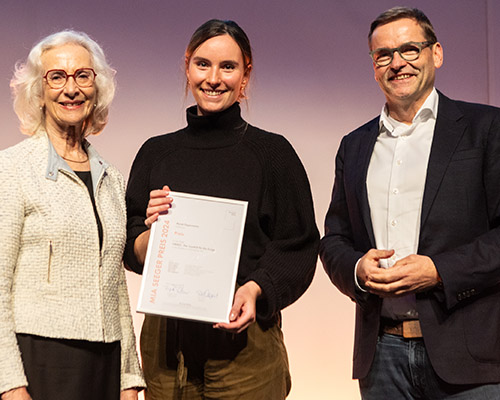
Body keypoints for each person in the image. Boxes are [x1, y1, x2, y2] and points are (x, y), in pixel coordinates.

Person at [124, 19, 319, 400]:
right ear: (187, 66)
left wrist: (255, 289)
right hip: (166, 348)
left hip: (244, 345)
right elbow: (129, 245)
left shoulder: (272, 154)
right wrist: (152, 234)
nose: (214, 78)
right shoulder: (156, 153)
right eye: (203, 64)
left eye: (228, 67)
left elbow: (299, 246)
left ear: (246, 74)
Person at [320, 6, 500, 399]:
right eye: (383, 55)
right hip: (382, 357)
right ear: (373, 66)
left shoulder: (486, 129)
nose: (397, 63)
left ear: (436, 53)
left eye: (409, 50)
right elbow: (334, 239)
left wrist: (439, 270)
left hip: (470, 359)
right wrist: (356, 269)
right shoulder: (354, 145)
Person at [0, 31, 145, 400]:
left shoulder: (111, 178)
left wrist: (130, 376)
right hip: (41, 358)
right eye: (57, 77)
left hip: (106, 360)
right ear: (39, 90)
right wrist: (9, 382)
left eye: (83, 75)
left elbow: (115, 284)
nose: (71, 88)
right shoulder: (12, 169)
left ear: (98, 88)